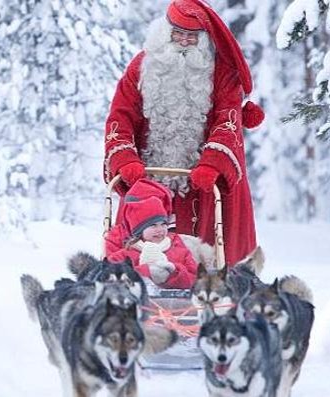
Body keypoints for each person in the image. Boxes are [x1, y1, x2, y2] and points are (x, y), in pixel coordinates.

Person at [103, 0, 264, 265]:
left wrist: (213, 163)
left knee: (207, 255)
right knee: (137, 252)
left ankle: (213, 291)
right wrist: (125, 159)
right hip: (149, 179)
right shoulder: (141, 67)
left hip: (202, 184)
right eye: (178, 34)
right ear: (165, 32)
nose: (184, 42)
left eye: (192, 36)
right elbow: (120, 117)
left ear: (204, 39)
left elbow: (228, 120)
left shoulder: (222, 74)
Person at [107, 196, 198, 289]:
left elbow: (194, 278)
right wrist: (146, 271)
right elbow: (109, 275)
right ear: (140, 231)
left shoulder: (180, 252)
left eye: (163, 224)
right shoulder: (125, 256)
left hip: (178, 301)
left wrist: (174, 271)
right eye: (153, 226)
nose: (160, 230)